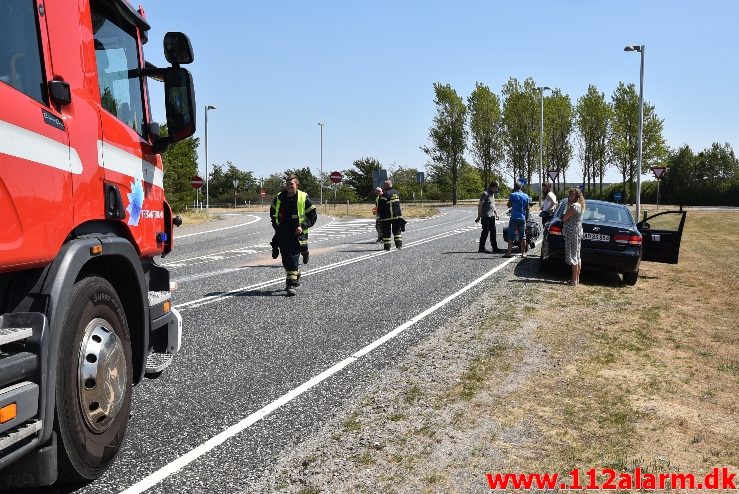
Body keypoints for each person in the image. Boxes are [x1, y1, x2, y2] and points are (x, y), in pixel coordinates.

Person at [270, 175, 317, 296]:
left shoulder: (303, 197)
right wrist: (277, 227)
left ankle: (290, 284)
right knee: (285, 258)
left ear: (297, 185)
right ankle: (296, 273)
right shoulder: (279, 197)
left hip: (297, 232)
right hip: (283, 231)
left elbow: (313, 216)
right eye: (287, 184)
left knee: (292, 257)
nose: (289, 186)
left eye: (292, 184)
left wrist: (302, 226)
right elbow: (273, 213)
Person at [561, 187, 585, 286]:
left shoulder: (574, 206)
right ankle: (576, 279)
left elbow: (564, 218)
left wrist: (567, 208)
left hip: (572, 233)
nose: (569, 196)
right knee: (577, 256)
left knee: (573, 256)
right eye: (569, 194)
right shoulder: (581, 205)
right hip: (578, 232)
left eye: (571, 194)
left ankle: (573, 280)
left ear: (576, 196)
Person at [505, 181, 530, 258]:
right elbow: (527, 208)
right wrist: (526, 218)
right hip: (522, 217)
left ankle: (509, 253)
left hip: (514, 217)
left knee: (511, 236)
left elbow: (509, 205)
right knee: (523, 236)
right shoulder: (526, 196)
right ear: (521, 187)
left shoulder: (513, 195)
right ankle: (523, 253)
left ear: (514, 187)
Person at [475, 181, 502, 253]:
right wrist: (478, 217)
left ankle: (495, 248)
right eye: (497, 187)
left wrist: (496, 214)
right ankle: (481, 248)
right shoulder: (485, 193)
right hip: (485, 217)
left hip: (492, 216)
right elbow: (480, 205)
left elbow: (493, 205)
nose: (497, 189)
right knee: (485, 232)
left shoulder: (492, 194)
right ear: (494, 187)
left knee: (493, 232)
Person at [377, 180, 404, 250]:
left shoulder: (385, 194)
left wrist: (379, 214)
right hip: (397, 216)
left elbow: (381, 206)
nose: (383, 187)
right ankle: (399, 245)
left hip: (386, 217)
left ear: (386, 186)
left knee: (386, 232)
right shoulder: (397, 193)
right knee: (397, 231)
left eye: (384, 185)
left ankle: (387, 247)